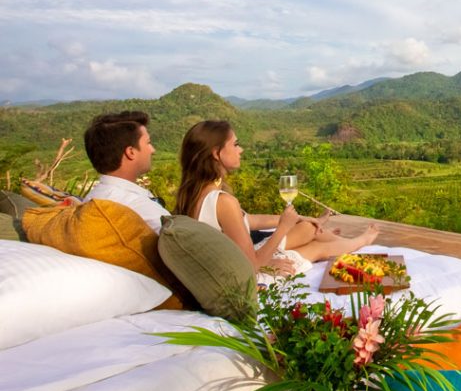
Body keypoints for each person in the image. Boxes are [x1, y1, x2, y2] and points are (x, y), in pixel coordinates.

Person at [175, 120, 379, 277]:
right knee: (318, 247)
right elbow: (251, 265)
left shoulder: (196, 193)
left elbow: (249, 220)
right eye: (235, 144)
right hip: (241, 275)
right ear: (216, 153)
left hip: (231, 264)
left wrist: (298, 219)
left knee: (309, 227)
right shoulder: (223, 201)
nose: (241, 149)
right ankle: (360, 242)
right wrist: (282, 228)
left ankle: (347, 241)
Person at [83, 111, 170, 233]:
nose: (152, 150)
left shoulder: (91, 199)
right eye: (148, 143)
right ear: (131, 152)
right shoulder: (144, 210)